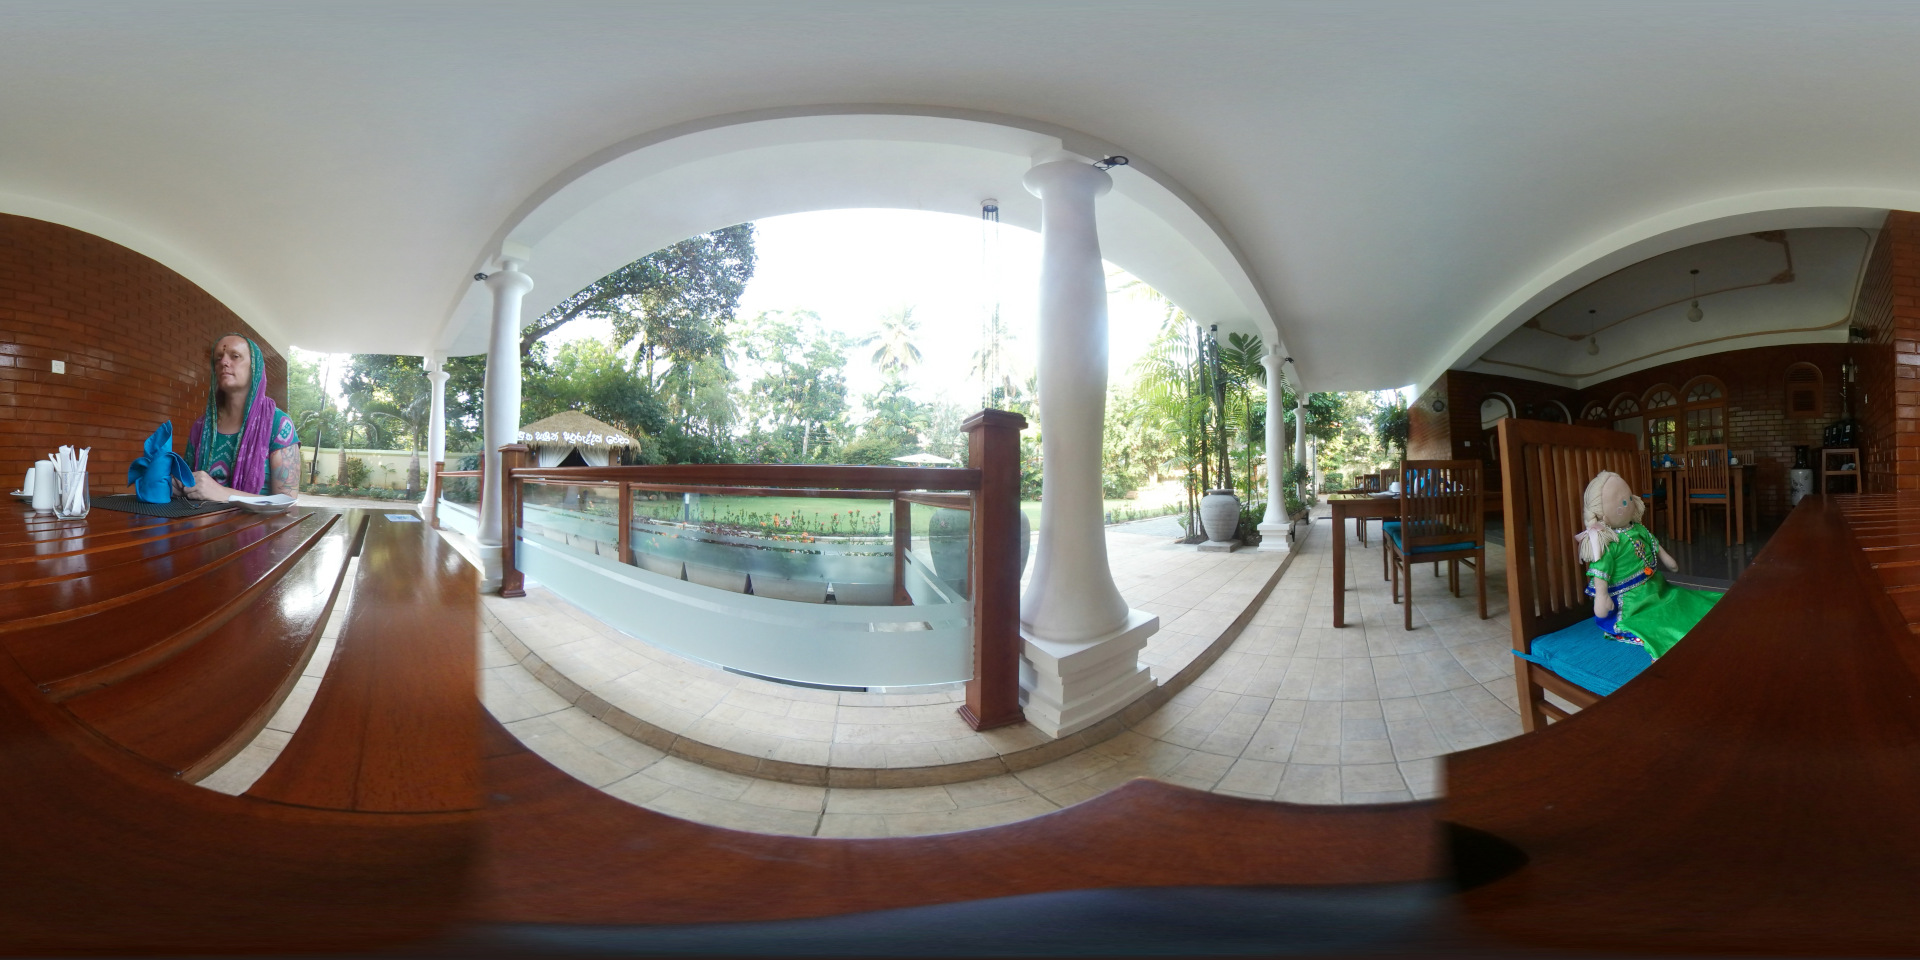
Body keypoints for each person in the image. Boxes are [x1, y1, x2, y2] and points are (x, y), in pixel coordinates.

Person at [1575, 469, 1718, 659]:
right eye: (1621, 502)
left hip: (1654, 586)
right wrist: (1601, 596)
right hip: (1629, 602)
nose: (1628, 503)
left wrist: (1667, 559)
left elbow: (1653, 544)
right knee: (1658, 622)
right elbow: (1600, 571)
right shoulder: (1607, 542)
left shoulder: (1637, 529)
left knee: (1679, 600)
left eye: (1628, 498)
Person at [178, 334, 302, 501]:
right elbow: (189, 484)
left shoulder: (278, 424)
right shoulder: (201, 427)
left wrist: (223, 493)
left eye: (235, 356)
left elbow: (287, 501)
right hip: (202, 525)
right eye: (217, 358)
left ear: (254, 367)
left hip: (260, 527)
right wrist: (177, 486)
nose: (223, 362)